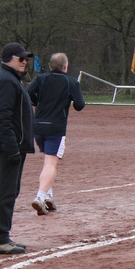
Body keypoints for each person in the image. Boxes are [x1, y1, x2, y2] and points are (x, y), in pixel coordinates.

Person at [0, 42, 35, 254]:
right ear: (8, 59)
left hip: (15, 144)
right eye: (20, 58)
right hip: (8, 146)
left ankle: (3, 235)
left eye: (26, 58)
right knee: (5, 191)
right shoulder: (5, 80)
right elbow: (1, 117)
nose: (24, 62)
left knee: (10, 190)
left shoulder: (11, 78)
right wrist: (11, 147)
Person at [26, 52, 86, 215]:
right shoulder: (71, 82)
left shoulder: (40, 79)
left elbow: (27, 93)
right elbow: (80, 105)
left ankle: (48, 196)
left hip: (38, 126)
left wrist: (37, 102)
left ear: (50, 66)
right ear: (65, 67)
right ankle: (40, 197)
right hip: (56, 128)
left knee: (48, 161)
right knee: (51, 163)